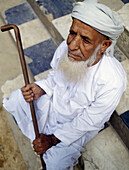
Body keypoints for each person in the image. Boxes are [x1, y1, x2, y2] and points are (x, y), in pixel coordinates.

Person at [3, 0, 127, 169]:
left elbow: (89, 121)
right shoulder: (66, 48)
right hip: (56, 104)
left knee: (55, 164)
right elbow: (55, 78)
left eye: (85, 40)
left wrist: (53, 139)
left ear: (104, 45)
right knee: (18, 98)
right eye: (72, 33)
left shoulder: (112, 80)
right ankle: (38, 136)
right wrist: (41, 88)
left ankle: (45, 139)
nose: (72, 45)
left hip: (77, 125)